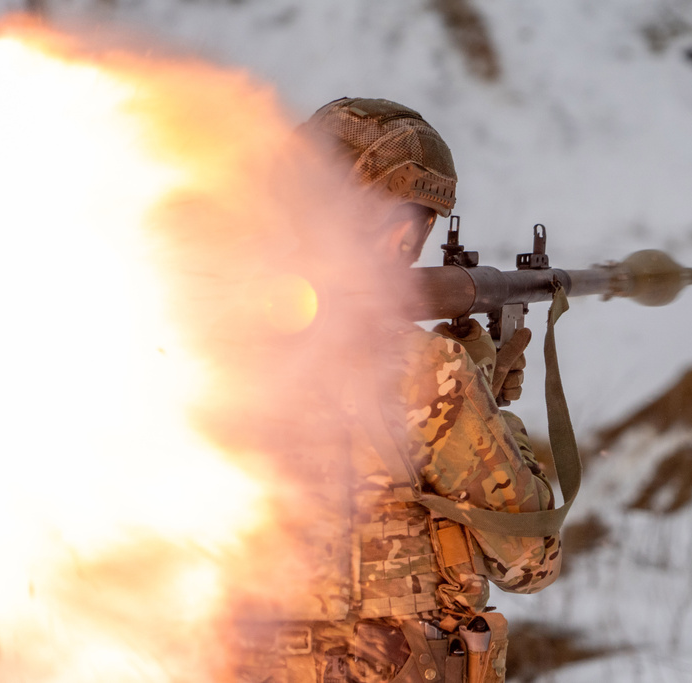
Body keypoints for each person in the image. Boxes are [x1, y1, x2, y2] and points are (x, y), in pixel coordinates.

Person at [235, 98, 562, 683]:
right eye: (416, 223)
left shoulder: (193, 346)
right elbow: (530, 561)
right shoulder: (423, 371)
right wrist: (485, 400)